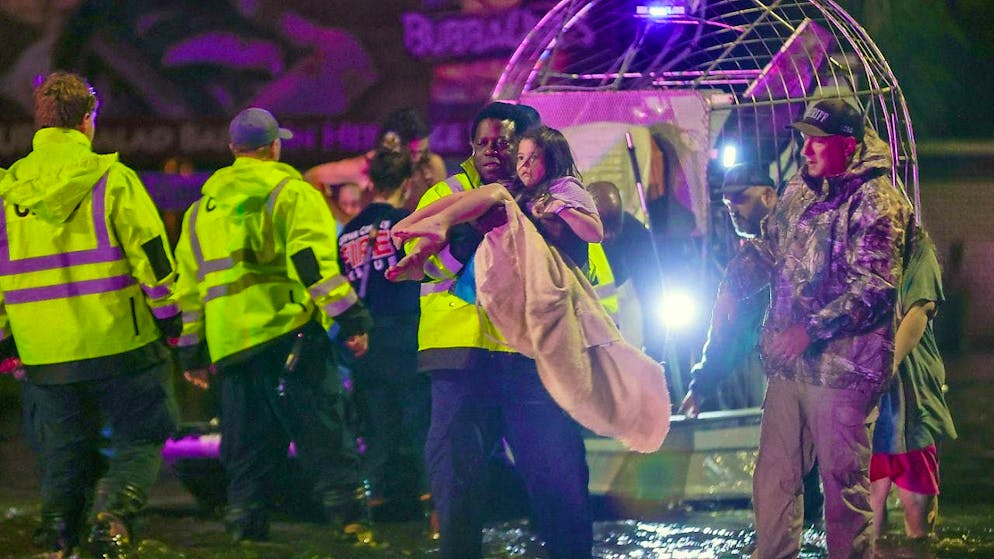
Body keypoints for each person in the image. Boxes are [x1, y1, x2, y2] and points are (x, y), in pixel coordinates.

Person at [390, 104, 596, 559]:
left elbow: (586, 272)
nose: (491, 152)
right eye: (482, 143)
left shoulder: (555, 197)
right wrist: (469, 237)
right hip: (460, 355)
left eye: (502, 143)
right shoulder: (447, 195)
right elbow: (426, 270)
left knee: (557, 474)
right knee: (456, 480)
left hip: (529, 356)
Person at [0, 71, 181, 558]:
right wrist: (170, 319)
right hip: (119, 340)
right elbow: (153, 259)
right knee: (143, 431)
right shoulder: (112, 180)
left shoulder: (7, 191)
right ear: (87, 121)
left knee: (64, 450)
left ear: (39, 123)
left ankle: (57, 539)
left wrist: (6, 341)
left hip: (43, 352)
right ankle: (113, 515)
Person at [172, 107, 374, 544]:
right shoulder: (291, 192)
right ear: (275, 147)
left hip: (231, 350)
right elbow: (311, 264)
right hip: (290, 337)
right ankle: (353, 527)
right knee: (326, 438)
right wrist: (351, 317)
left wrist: (191, 351)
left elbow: (187, 292)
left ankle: (245, 529)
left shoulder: (199, 212)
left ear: (233, 150)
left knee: (246, 452)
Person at [753, 98, 912, 558]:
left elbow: (877, 285)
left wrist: (809, 329)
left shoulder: (878, 199)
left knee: (843, 487)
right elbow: (769, 247)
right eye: (804, 139)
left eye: (817, 141)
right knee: (774, 478)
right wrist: (734, 285)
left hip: (845, 371)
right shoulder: (798, 190)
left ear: (847, 145)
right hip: (790, 369)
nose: (806, 150)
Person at [336, 148, 431, 521]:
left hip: (366, 342)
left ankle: (371, 519)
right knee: (421, 425)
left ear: (371, 183)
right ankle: (434, 516)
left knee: (375, 431)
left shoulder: (348, 232)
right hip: (407, 338)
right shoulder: (409, 223)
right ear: (406, 184)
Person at [869, 227, 957, 540]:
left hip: (910, 393)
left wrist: (887, 365)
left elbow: (920, 310)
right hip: (866, 400)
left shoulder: (918, 248)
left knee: (917, 512)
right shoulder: (852, 247)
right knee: (866, 513)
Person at [679, 163, 776, 417]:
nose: (732, 208)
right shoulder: (752, 257)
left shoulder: (798, 239)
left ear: (768, 195)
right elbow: (729, 326)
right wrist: (701, 386)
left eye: (740, 198)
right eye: (727, 201)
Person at [305, 107, 447, 211]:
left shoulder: (431, 167)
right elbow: (312, 177)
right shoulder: (369, 165)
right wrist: (344, 219)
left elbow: (442, 211)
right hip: (376, 244)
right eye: (412, 152)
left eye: (422, 152)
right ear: (393, 144)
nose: (417, 158)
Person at [588, 180, 665, 361]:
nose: (608, 235)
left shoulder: (636, 235)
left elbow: (652, 290)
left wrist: (654, 350)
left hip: (626, 314)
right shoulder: (571, 234)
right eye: (603, 226)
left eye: (613, 227)